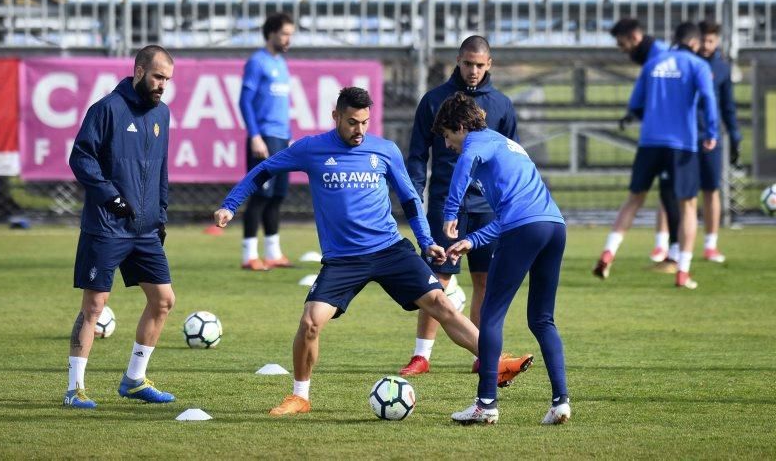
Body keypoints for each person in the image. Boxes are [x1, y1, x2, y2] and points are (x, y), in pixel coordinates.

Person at [214, 87, 529, 417]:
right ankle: (300, 397)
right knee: (310, 322)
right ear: (336, 117)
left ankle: (498, 360)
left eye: (365, 122)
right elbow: (264, 170)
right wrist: (230, 205)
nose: (359, 130)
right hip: (344, 259)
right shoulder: (311, 149)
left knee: (441, 304)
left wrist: (425, 242)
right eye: (352, 122)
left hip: (390, 249)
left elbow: (409, 199)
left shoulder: (385, 150)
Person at [431, 93, 570, 426]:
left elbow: (466, 164)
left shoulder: (476, 143)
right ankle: (561, 402)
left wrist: (450, 211)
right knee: (541, 319)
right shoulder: (506, 144)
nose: (449, 146)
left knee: (491, 315)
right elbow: (516, 213)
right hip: (553, 226)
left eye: (449, 137)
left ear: (461, 127)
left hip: (526, 228)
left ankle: (485, 404)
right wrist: (473, 239)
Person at [400, 35, 528, 378]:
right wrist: (416, 192)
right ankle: (421, 356)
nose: (473, 71)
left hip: (487, 205)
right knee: (434, 280)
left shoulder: (501, 104)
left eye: (480, 65)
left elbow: (511, 156)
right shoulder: (433, 101)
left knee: (484, 279)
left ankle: (481, 354)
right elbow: (416, 155)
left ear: (490, 65)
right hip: (446, 204)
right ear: (458, 61)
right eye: (468, 63)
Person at [64, 45, 176, 408]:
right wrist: (110, 197)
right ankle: (74, 389)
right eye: (158, 76)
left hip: (144, 230)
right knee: (95, 305)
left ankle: (134, 380)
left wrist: (160, 214)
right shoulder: (106, 109)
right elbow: (80, 158)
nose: (162, 85)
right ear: (139, 71)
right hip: (107, 225)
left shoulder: (163, 114)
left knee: (163, 301)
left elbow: (160, 170)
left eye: (168, 79)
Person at [593, 22, 719, 290]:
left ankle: (608, 252)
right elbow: (708, 98)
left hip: (650, 142)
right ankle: (683, 271)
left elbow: (635, 104)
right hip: (682, 144)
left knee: (633, 200)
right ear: (695, 43)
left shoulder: (654, 64)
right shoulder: (698, 65)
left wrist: (653, 117)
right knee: (687, 206)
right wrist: (711, 131)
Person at [610, 18, 681, 269]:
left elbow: (640, 103)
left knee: (673, 196)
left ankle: (675, 255)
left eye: (622, 44)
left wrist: (638, 113)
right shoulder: (659, 56)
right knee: (668, 194)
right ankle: (667, 249)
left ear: (634, 38)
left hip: (672, 139)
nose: (622, 50)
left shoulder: (658, 60)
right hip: (673, 136)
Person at [238, 12, 295, 271]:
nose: (288, 39)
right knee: (260, 194)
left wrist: (289, 136)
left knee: (278, 195)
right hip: (265, 136)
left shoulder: (281, 64)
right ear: (271, 33)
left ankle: (273, 253)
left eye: (290, 35)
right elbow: (245, 101)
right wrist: (255, 135)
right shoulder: (257, 62)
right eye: (284, 34)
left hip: (281, 138)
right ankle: (249, 255)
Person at [696, 20, 742, 262]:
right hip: (686, 137)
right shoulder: (690, 64)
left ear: (717, 42)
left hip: (710, 138)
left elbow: (728, 106)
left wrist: (734, 135)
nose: (706, 44)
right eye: (703, 39)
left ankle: (710, 244)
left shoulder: (722, 68)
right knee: (679, 192)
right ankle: (671, 246)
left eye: (711, 40)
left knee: (712, 189)